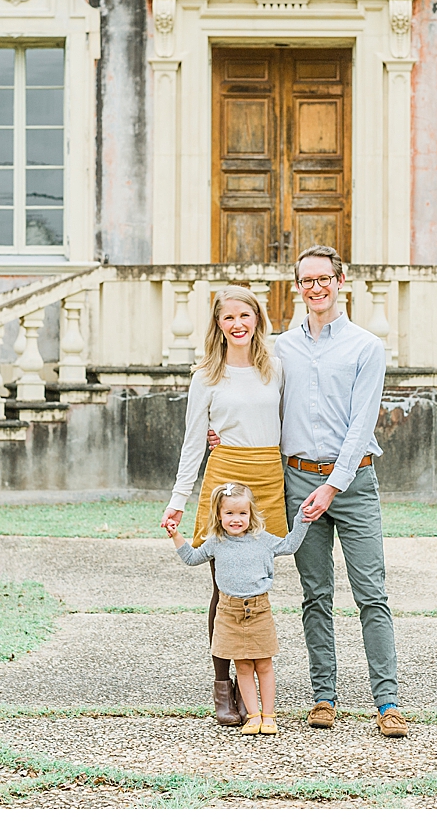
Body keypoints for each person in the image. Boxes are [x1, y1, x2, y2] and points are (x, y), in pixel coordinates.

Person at [229, 245, 408, 738]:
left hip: (352, 483)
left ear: (341, 280)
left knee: (372, 594)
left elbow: (360, 424)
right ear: (298, 287)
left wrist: (332, 486)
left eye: (323, 278)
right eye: (306, 280)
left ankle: (387, 701)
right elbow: (256, 397)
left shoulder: (366, 347)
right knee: (315, 595)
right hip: (298, 479)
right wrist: (220, 428)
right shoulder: (281, 347)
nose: (315, 287)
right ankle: (323, 697)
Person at [160, 286, 285, 726]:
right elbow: (194, 442)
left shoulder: (276, 368)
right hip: (225, 474)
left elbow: (287, 426)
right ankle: (223, 685)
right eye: (228, 317)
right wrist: (178, 501)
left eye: (245, 316)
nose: (237, 324)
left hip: (268, 475)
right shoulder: (206, 377)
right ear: (217, 324)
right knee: (224, 586)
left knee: (256, 585)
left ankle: (256, 679)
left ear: (258, 320)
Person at [170, 480, 309, 735]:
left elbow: (289, 545)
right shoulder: (215, 543)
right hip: (229, 612)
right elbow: (191, 558)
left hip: (258, 610)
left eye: (242, 513)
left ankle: (269, 715)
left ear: (251, 514)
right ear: (219, 515)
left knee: (264, 664)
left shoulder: (262, 540)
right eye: (230, 513)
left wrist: (303, 519)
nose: (237, 519)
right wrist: (176, 534)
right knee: (243, 666)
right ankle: (253, 716)